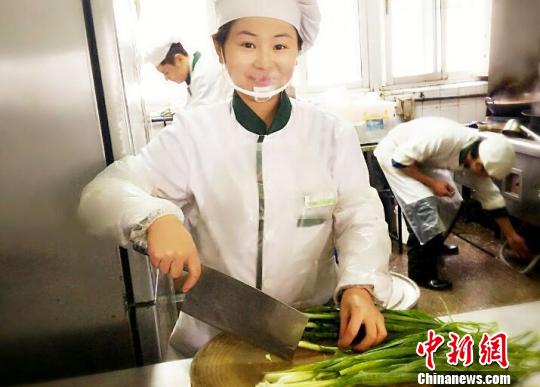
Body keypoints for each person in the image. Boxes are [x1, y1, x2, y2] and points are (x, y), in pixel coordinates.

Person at [79, 0, 392, 358]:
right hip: (212, 338)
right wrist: (154, 218)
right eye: (247, 44)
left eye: (279, 45)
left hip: (309, 335)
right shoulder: (193, 134)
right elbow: (101, 194)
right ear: (219, 49)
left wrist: (360, 286)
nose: (263, 62)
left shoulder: (331, 134)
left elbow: (360, 215)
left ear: (297, 51)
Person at [374, 117, 531, 291]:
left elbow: (491, 196)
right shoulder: (443, 138)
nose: (483, 177)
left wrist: (511, 235)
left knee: (452, 201)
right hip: (395, 155)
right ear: (476, 158)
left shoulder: (478, 156)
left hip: (421, 160)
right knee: (424, 210)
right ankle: (421, 275)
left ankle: (435, 246)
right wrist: (432, 183)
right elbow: (400, 160)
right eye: (482, 171)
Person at [146, 41, 232, 107]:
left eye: (166, 72)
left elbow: (200, 114)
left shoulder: (205, 71)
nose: (166, 78)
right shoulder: (194, 75)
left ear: (179, 59)